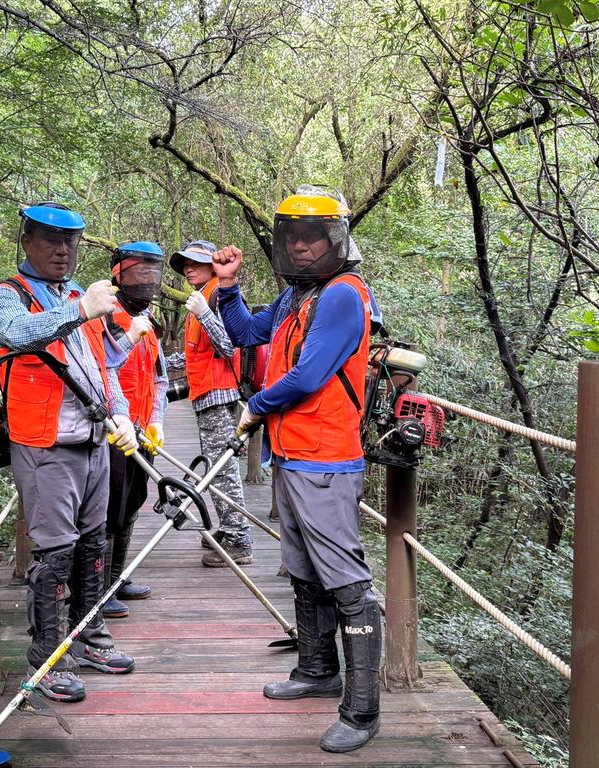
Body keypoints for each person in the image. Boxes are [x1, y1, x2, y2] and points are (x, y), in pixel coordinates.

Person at [211, 186, 381, 753]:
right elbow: (247, 333)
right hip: (290, 453)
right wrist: (228, 285)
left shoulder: (342, 296)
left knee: (345, 577)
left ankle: (362, 711)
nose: (302, 247)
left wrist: (254, 406)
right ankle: (315, 668)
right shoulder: (296, 297)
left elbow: (308, 377)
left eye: (314, 237)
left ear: (337, 240)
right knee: (303, 567)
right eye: (293, 238)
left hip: (326, 457)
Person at [0, 202, 144, 704]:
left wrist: (120, 414)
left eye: (70, 242)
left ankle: (89, 639)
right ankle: (47, 660)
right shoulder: (8, 295)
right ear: (27, 242)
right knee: (55, 551)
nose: (61, 250)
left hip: (95, 441)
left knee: (94, 543)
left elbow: (105, 366)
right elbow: (14, 335)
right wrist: (80, 310)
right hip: (44, 443)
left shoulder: (82, 294)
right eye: (51, 240)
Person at [164, 240, 253, 567]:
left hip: (219, 393)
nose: (188, 269)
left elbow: (229, 345)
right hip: (205, 393)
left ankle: (239, 539)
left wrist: (203, 313)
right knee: (218, 469)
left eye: (194, 263)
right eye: (184, 264)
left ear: (213, 265)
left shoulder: (216, 295)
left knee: (223, 470)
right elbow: (195, 351)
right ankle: (229, 530)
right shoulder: (204, 294)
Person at [101, 242, 169, 619]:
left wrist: (157, 420)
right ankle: (99, 588)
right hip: (112, 431)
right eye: (139, 272)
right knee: (109, 508)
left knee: (132, 504)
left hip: (143, 432)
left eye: (153, 273)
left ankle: (118, 576)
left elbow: (158, 380)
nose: (148, 281)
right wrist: (129, 336)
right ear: (118, 273)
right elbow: (102, 368)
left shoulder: (150, 325)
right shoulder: (105, 317)